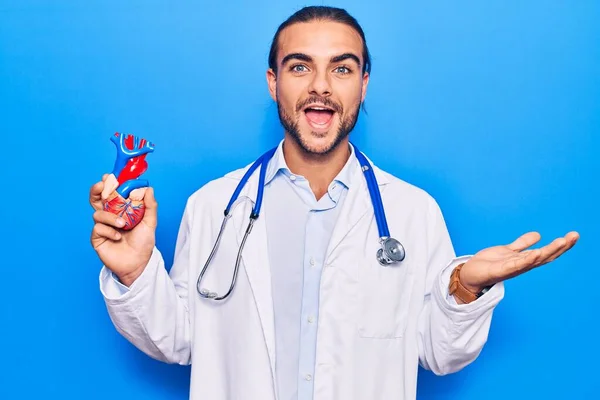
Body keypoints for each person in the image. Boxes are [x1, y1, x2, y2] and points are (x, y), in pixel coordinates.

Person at [89, 6, 579, 400]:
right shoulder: (214, 205)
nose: (320, 86)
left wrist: (465, 289)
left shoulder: (412, 211)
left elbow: (439, 353)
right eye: (300, 66)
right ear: (272, 82)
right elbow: (178, 340)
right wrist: (134, 273)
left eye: (341, 68)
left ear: (363, 86)